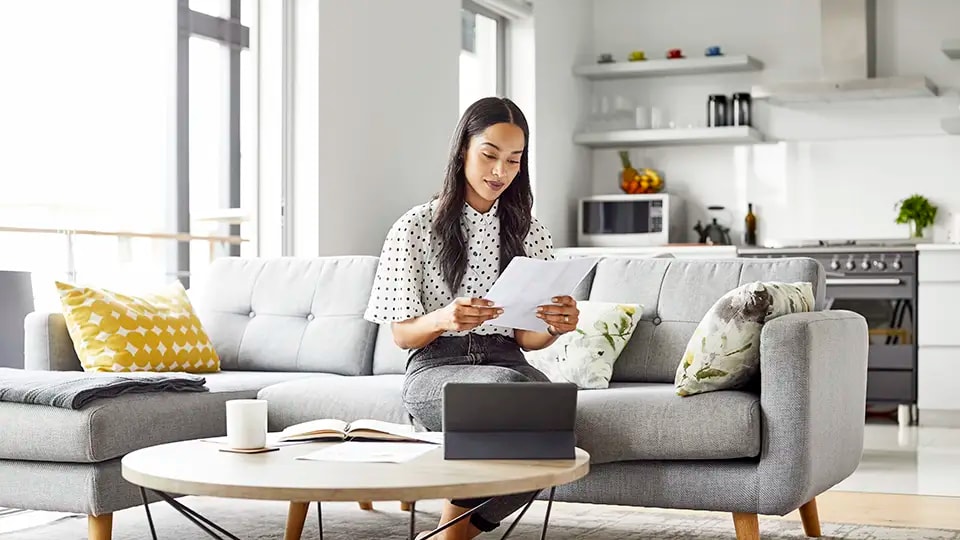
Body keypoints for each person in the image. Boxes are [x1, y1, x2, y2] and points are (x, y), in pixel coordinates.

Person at [363, 96, 580, 539]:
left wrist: (555, 326)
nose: (500, 172)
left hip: (508, 361)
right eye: (489, 155)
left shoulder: (529, 231)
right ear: (462, 149)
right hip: (436, 367)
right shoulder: (415, 227)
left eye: (514, 161)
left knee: (550, 411)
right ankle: (454, 535)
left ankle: (450, 534)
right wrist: (444, 319)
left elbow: (527, 337)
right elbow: (403, 335)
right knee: (514, 397)